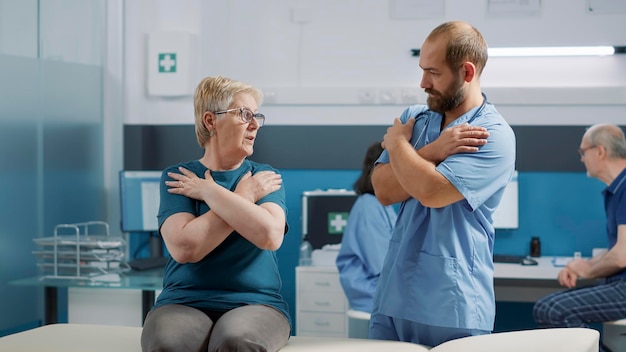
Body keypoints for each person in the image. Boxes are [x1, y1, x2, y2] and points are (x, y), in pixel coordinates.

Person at [368, 21, 516, 347]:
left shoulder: (492, 135)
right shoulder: (416, 119)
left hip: (451, 302)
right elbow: (383, 189)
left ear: (466, 72)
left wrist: (398, 146)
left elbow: (431, 192)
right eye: (422, 70)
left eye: (433, 72)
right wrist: (430, 151)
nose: (423, 83)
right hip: (394, 294)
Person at [140, 76, 291, 352]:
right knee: (168, 343)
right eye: (245, 114)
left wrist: (211, 193)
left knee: (236, 341)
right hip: (183, 301)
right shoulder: (180, 178)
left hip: (255, 303)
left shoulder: (264, 178)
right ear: (211, 121)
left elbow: (269, 235)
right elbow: (186, 248)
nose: (255, 124)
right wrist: (243, 197)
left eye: (257, 115)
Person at [533, 123, 626, 350]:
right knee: (549, 308)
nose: (582, 158)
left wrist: (588, 271)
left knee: (551, 309)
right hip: (618, 283)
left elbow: (621, 257)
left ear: (600, 151)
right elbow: (617, 248)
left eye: (583, 152)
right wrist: (583, 264)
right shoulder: (617, 189)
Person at [336, 141, 398, 313]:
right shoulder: (368, 207)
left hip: (382, 294)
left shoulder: (382, 205)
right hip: (372, 297)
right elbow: (382, 264)